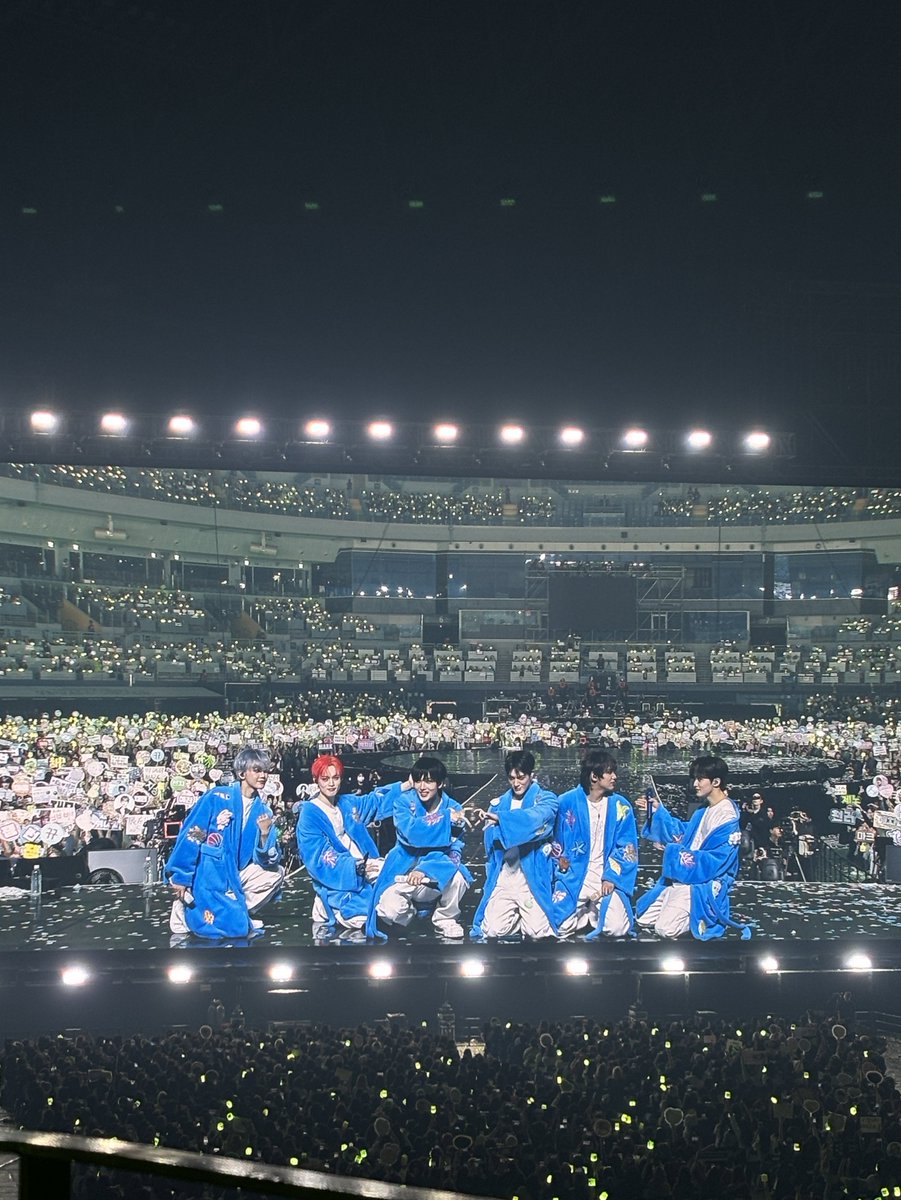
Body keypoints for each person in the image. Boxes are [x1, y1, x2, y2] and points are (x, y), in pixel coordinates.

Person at [165, 746, 283, 939]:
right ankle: (185, 908)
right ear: (242, 773)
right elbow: (193, 833)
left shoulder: (265, 812)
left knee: (276, 873)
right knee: (231, 927)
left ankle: (237, 910)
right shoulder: (217, 796)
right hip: (211, 869)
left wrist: (264, 834)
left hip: (236, 872)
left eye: (266, 771)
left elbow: (265, 860)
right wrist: (181, 875)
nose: (263, 775)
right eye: (257, 770)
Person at [635, 755, 750, 940]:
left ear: (716, 781)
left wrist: (673, 851)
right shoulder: (705, 809)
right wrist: (657, 811)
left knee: (665, 929)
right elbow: (686, 834)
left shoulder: (727, 816)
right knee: (643, 918)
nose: (695, 784)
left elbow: (716, 860)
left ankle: (699, 916)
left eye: (699, 779)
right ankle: (676, 902)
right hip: (689, 874)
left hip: (704, 881)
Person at [367, 756, 472, 939]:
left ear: (440, 783)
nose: (422, 787)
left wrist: (425, 870)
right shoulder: (403, 802)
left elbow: (454, 850)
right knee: (388, 911)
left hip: (435, 871)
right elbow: (412, 834)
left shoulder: (454, 808)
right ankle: (413, 913)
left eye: (429, 781)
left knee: (458, 877)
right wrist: (445, 819)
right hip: (404, 868)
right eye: (418, 781)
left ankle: (445, 918)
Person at [470, 749, 558, 939]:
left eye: (521, 777)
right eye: (511, 778)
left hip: (530, 876)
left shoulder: (546, 799)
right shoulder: (498, 804)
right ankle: (516, 914)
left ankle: (524, 915)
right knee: (492, 930)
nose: (516, 783)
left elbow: (538, 819)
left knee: (537, 931)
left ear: (531, 775)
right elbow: (490, 847)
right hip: (505, 875)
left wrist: (502, 820)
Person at [550, 749, 638, 938]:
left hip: (605, 874)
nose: (614, 777)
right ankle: (586, 912)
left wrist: (611, 877)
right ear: (594, 776)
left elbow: (627, 847)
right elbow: (554, 840)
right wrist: (560, 862)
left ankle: (593, 909)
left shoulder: (621, 806)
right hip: (575, 874)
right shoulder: (566, 801)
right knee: (559, 926)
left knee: (616, 928)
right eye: (609, 772)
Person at [295, 753, 385, 934]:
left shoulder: (346, 802)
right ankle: (326, 904)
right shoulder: (309, 814)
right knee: (362, 915)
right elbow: (317, 856)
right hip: (342, 872)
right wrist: (356, 868)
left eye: (335, 778)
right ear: (316, 780)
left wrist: (407, 785)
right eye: (325, 778)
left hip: (363, 861)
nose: (331, 784)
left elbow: (374, 801)